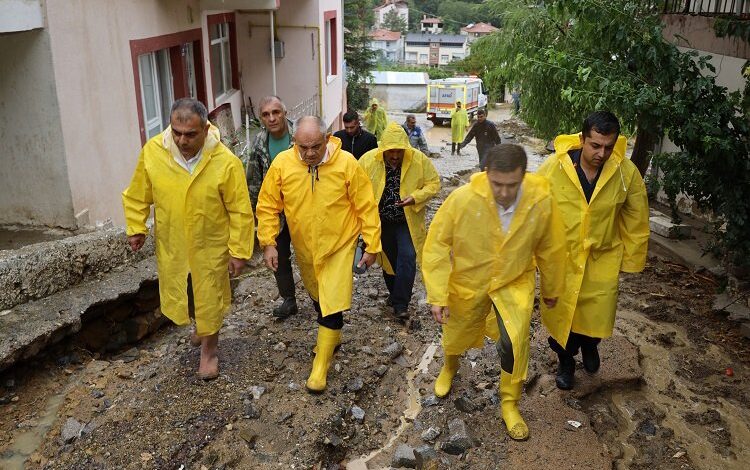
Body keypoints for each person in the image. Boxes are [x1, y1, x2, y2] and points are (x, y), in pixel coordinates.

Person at [422, 143, 566, 440]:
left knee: (514, 342)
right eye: (496, 184)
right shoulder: (463, 200)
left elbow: (551, 248)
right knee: (456, 330)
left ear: (523, 176)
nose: (502, 192)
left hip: (514, 280)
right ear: (486, 173)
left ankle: (510, 403)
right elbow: (436, 244)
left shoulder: (540, 203)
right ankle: (450, 367)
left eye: (511, 185)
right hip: (469, 279)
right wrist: (437, 294)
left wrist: (552, 286)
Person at [122, 98, 254, 380]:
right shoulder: (153, 153)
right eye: (177, 132)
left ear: (206, 129)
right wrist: (136, 227)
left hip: (211, 244)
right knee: (187, 291)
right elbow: (137, 194)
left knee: (209, 295)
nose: (182, 140)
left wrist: (239, 251)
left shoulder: (225, 162)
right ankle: (199, 325)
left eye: (191, 134)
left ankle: (209, 351)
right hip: (174, 243)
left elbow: (240, 210)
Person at [256, 116, 382, 393]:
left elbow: (366, 206)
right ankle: (332, 336)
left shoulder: (347, 163)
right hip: (305, 247)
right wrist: (268, 242)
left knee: (332, 299)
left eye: (316, 146)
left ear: (327, 139)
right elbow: (267, 205)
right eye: (304, 147)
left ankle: (321, 365)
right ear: (295, 143)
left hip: (340, 244)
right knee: (316, 294)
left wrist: (372, 244)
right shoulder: (282, 165)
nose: (310, 153)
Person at [537, 111, 649, 391]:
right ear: (582, 139)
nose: (602, 153)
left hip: (602, 258)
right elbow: (533, 211)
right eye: (595, 145)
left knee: (596, 313)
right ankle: (565, 361)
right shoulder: (554, 168)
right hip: (563, 258)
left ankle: (590, 344)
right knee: (563, 316)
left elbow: (636, 218)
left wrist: (632, 259)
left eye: (608, 147)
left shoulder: (625, 172)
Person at [359, 122, 440, 320]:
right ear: (383, 149)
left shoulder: (419, 160)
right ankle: (396, 295)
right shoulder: (368, 161)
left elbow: (434, 183)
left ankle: (401, 303)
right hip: (380, 221)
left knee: (407, 257)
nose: (395, 156)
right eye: (391, 152)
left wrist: (415, 197)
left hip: (407, 221)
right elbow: (355, 187)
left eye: (399, 152)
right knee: (388, 261)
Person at [244, 96, 298, 320]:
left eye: (276, 112)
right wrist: (257, 215)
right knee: (279, 255)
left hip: (303, 207)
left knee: (313, 254)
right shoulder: (258, 143)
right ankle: (289, 299)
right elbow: (254, 180)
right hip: (276, 211)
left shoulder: (301, 134)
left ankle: (322, 298)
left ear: (285, 112)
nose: (272, 118)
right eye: (266, 114)